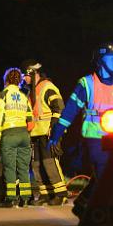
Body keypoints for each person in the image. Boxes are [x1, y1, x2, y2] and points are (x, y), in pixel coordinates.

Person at [47, 42, 113, 217]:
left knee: (109, 173)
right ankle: (100, 211)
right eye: (110, 58)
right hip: (94, 137)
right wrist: (57, 133)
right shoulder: (87, 83)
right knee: (104, 171)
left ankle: (82, 204)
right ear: (99, 61)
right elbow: (70, 110)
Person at [20, 59, 68, 206]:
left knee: (50, 162)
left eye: (25, 76)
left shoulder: (47, 87)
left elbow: (59, 108)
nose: (24, 79)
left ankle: (60, 194)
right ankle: (45, 194)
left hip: (48, 132)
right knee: (37, 165)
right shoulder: (32, 91)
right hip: (35, 133)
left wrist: (54, 129)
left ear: (31, 73)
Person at [0, 67, 34, 208]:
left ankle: (11, 198)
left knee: (9, 168)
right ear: (20, 80)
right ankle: (25, 198)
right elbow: (31, 121)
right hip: (24, 134)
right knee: (23, 168)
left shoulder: (3, 94)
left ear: (6, 80)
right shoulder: (24, 95)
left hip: (8, 134)